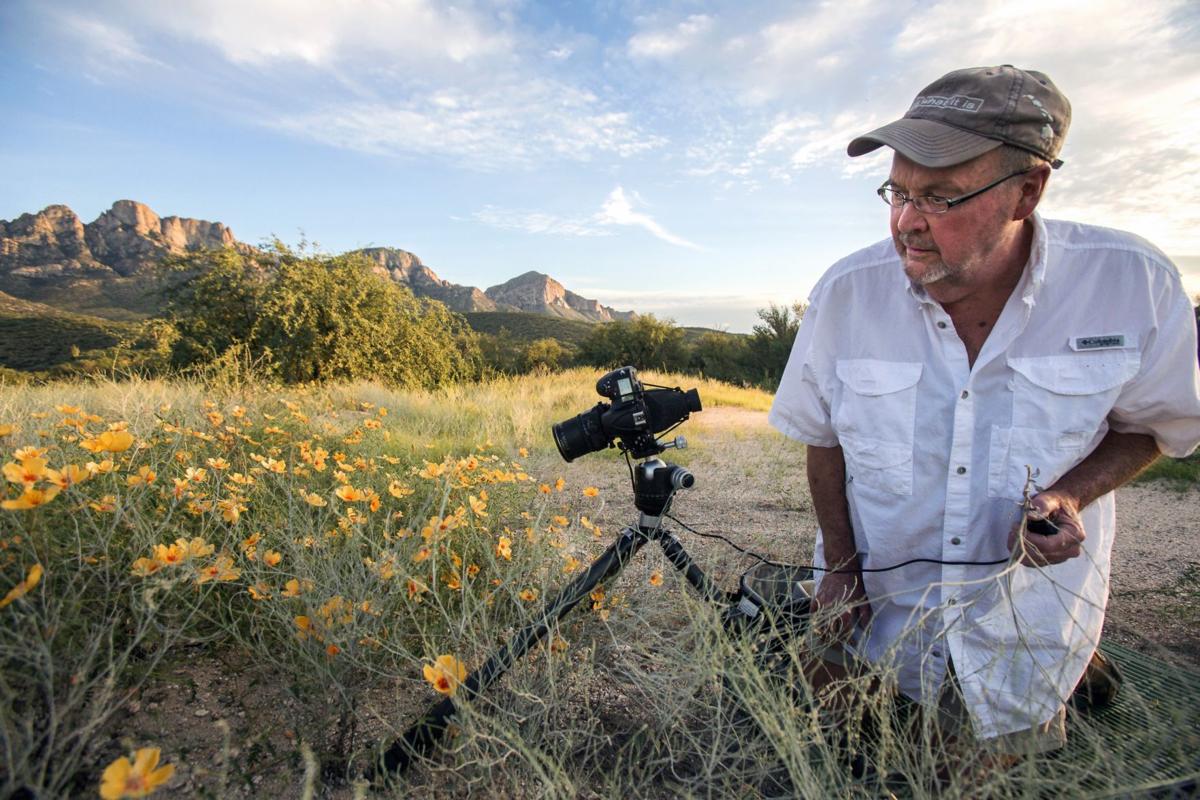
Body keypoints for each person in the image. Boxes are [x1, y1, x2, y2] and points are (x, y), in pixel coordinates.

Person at [768, 65, 1200, 757]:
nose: (906, 222)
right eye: (898, 192)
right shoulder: (847, 294)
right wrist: (841, 570)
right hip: (874, 615)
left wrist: (1069, 494)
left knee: (983, 773)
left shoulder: (1132, 284)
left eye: (940, 197)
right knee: (846, 755)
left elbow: (1149, 425)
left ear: (1028, 190)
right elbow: (825, 439)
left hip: (1024, 632)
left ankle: (1082, 676)